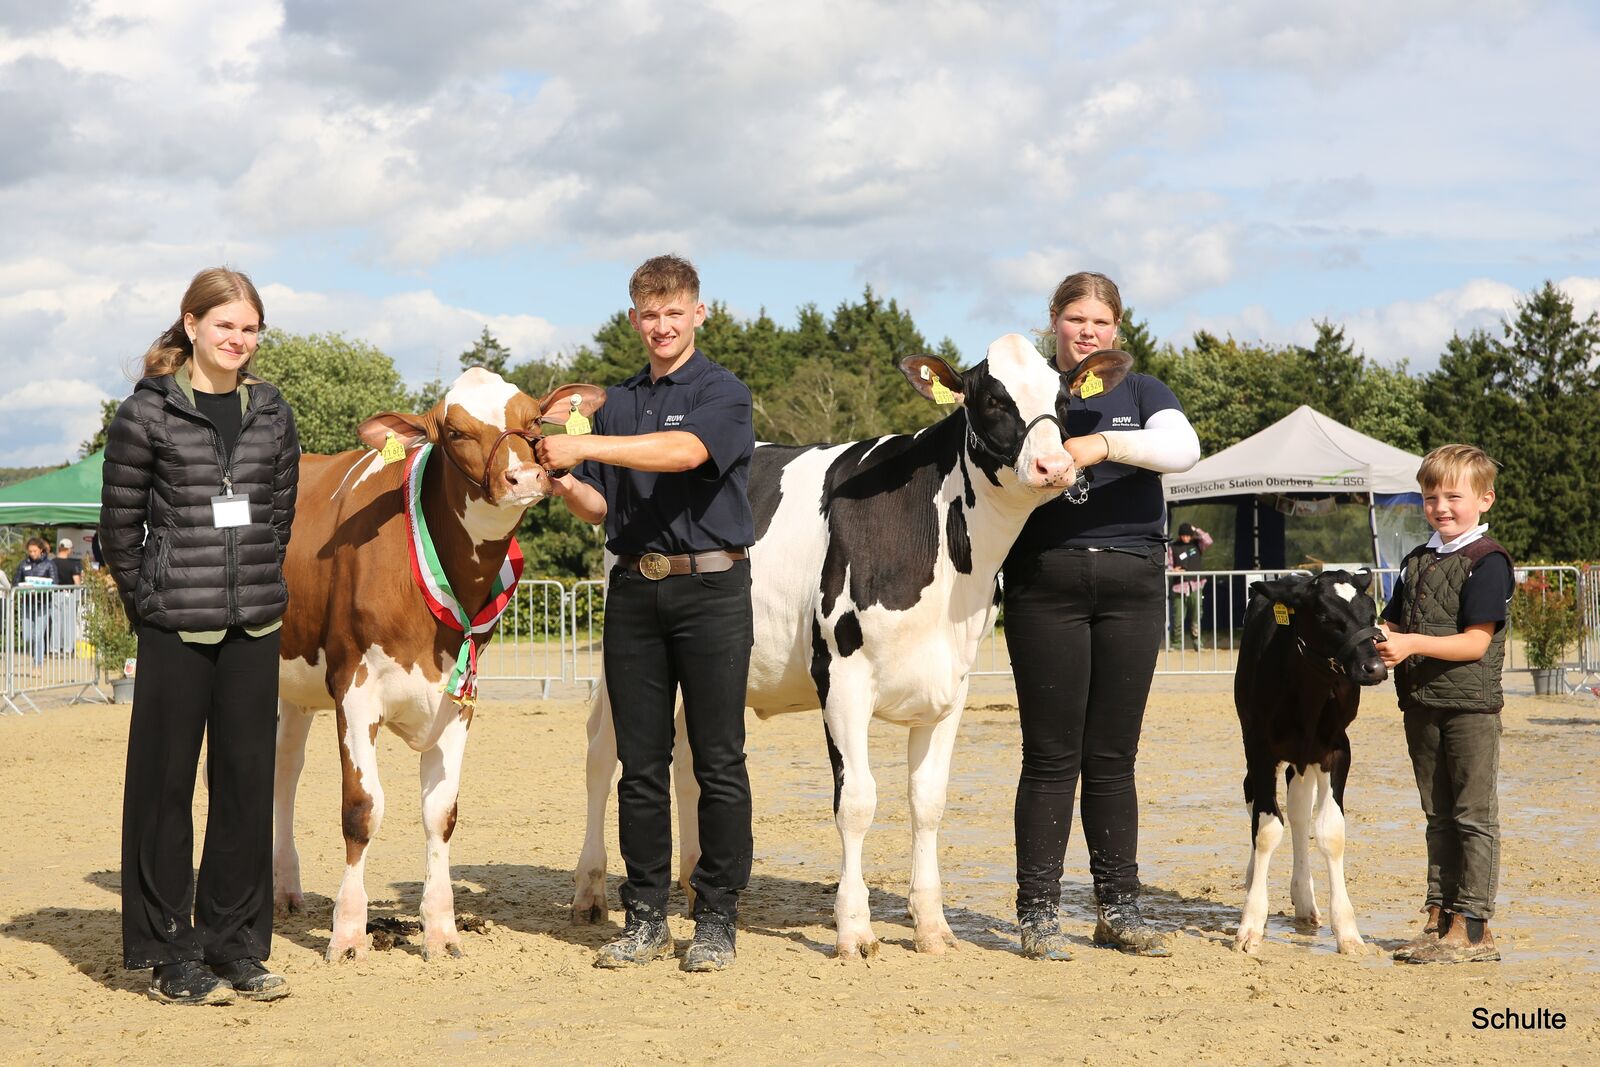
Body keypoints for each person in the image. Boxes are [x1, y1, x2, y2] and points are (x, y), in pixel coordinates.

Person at [538, 254, 754, 973]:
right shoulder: (619, 401)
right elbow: (601, 505)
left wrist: (583, 442)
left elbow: (685, 453)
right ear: (634, 319)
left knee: (718, 760)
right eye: (650, 314)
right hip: (633, 588)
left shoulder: (723, 392)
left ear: (699, 313)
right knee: (639, 763)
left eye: (674, 312)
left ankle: (716, 918)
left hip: (711, 589)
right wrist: (563, 480)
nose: (662, 325)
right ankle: (646, 918)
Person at [99, 267, 300, 1005]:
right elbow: (119, 530)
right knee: (165, 789)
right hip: (174, 628)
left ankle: (235, 945)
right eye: (225, 326)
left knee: (245, 787)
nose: (238, 340)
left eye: (250, 329)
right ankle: (167, 952)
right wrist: (151, 600)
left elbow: (277, 518)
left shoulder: (272, 412)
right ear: (191, 325)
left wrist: (249, 583)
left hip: (255, 625)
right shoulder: (145, 412)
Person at [1002, 271, 1201, 960]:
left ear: (1117, 328)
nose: (1087, 331)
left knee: (1114, 758)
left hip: (1133, 583)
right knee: (1049, 757)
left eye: (1100, 321)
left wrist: (1102, 445)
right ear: (1053, 320)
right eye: (1075, 318)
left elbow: (1183, 450)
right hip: (1044, 582)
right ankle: (1037, 914)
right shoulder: (1029, 389)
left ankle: (1119, 909)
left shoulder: (1142, 391)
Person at [1376, 444, 1511, 965]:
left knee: (1473, 817)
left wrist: (1410, 644)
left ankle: (1473, 929)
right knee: (1437, 816)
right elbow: (1391, 623)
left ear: (1484, 500)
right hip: (1420, 704)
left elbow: (1475, 643)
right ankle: (1439, 918)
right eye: (1431, 496)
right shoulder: (1415, 560)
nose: (1441, 506)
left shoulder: (1488, 561)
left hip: (1470, 709)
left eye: (1454, 496)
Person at [1167, 522, 1211, 650]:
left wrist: (1196, 529)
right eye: (1183, 535)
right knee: (1178, 618)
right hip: (1179, 587)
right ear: (1180, 535)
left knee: (1197, 616)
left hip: (1196, 585)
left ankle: (1197, 642)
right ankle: (1176, 644)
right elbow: (1168, 565)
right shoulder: (1173, 547)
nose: (1186, 538)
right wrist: (1173, 570)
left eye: (1188, 535)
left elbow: (1208, 541)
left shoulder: (1197, 544)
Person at [13, 537, 57, 665]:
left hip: (43, 603)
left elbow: (55, 583)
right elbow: (15, 581)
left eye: (35, 551)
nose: (32, 553)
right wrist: (22, 587)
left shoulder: (49, 564)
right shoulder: (23, 564)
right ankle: (35, 655)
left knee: (38, 635)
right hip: (27, 603)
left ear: (41, 550)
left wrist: (42, 587)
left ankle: (37, 663)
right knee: (27, 636)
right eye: (30, 551)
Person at [51, 538, 84, 656]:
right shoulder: (72, 564)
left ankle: (54, 649)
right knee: (69, 622)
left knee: (55, 622)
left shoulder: (51, 563)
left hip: (54, 593)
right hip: (68, 594)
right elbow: (77, 582)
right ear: (69, 549)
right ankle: (67, 649)